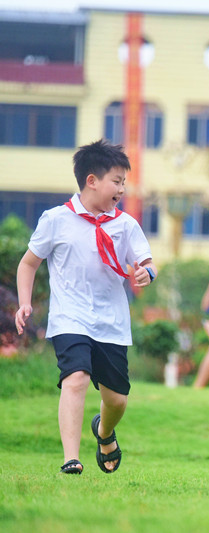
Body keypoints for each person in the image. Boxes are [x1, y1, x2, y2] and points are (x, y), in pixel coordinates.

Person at [15, 139, 156, 475]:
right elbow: (28, 264)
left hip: (112, 322)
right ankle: (70, 458)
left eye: (124, 182)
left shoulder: (125, 224)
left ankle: (104, 431)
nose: (122, 189)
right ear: (91, 180)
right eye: (117, 181)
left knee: (117, 400)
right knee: (75, 378)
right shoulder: (56, 220)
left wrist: (146, 273)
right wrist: (24, 303)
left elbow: (148, 263)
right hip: (69, 318)